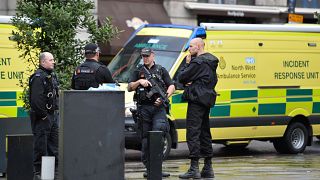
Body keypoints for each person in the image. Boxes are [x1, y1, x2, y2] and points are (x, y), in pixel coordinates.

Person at [128, 48, 175, 178]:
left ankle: (157, 168)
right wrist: (139, 82)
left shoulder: (161, 70)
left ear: (153, 56)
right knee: (146, 140)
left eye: (148, 56)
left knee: (158, 137)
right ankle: (149, 169)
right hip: (144, 109)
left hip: (158, 109)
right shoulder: (138, 71)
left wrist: (164, 97)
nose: (145, 58)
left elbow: (171, 85)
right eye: (143, 56)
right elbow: (129, 87)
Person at [178, 38, 219, 179]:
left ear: (199, 47)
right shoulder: (212, 61)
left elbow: (182, 77)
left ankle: (194, 168)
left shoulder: (197, 62)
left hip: (196, 99)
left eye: (191, 46)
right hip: (206, 99)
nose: (189, 49)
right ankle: (208, 167)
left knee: (193, 132)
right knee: (204, 131)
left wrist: (187, 64)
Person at [29, 52, 59, 180]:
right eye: (51, 60)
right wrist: (43, 116)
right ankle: (39, 175)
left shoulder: (50, 76)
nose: (53, 62)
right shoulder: (38, 77)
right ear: (43, 62)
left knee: (54, 148)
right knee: (41, 148)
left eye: (53, 59)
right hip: (43, 118)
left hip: (52, 117)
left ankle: (53, 175)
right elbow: (36, 100)